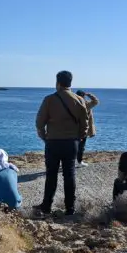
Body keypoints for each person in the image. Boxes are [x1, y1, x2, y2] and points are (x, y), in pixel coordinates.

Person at [34, 70, 89, 216]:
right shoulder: (79, 100)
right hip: (71, 143)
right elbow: (85, 124)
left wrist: (44, 137)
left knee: (51, 175)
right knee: (69, 175)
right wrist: (79, 137)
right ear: (70, 83)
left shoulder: (49, 100)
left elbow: (39, 123)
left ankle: (46, 206)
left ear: (57, 82)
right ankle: (70, 208)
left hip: (53, 142)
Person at [75, 90, 100, 167]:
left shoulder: (73, 104)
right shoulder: (86, 104)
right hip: (83, 129)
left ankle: (71, 161)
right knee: (81, 146)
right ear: (83, 96)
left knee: (73, 146)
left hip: (73, 128)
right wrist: (89, 94)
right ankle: (79, 162)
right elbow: (96, 101)